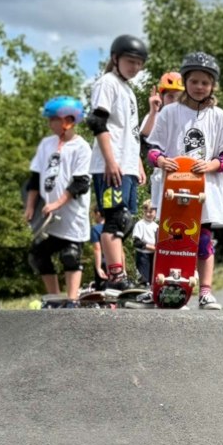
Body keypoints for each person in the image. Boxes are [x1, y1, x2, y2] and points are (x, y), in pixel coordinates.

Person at [146, 52, 223, 309]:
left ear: (212, 86)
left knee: (204, 240)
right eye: (195, 81)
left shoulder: (218, 116)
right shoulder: (169, 112)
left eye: (205, 83)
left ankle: (205, 291)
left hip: (203, 188)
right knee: (170, 237)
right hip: (173, 187)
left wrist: (211, 164)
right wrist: (161, 160)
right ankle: (168, 287)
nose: (199, 87)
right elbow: (153, 148)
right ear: (186, 81)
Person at [86, 34, 148, 292]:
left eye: (138, 63)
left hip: (127, 165)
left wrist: (138, 164)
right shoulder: (107, 83)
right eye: (130, 61)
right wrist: (111, 161)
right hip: (110, 165)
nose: (134, 68)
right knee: (116, 218)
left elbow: (129, 132)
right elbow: (97, 121)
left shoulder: (128, 89)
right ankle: (115, 277)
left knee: (127, 222)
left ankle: (120, 275)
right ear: (115, 59)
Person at [23, 96, 94, 303]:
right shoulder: (47, 144)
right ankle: (53, 299)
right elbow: (35, 178)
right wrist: (30, 207)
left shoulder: (82, 148)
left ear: (68, 120)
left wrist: (56, 203)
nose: (49, 123)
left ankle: (71, 301)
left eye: (53, 119)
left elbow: (80, 183)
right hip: (49, 218)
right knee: (38, 255)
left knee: (69, 256)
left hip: (73, 216)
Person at [130, 203, 159, 286]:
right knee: (143, 279)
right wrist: (152, 248)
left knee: (152, 278)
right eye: (145, 211)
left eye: (150, 212)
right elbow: (136, 242)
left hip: (153, 255)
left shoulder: (156, 226)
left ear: (155, 212)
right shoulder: (140, 224)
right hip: (143, 255)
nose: (147, 214)